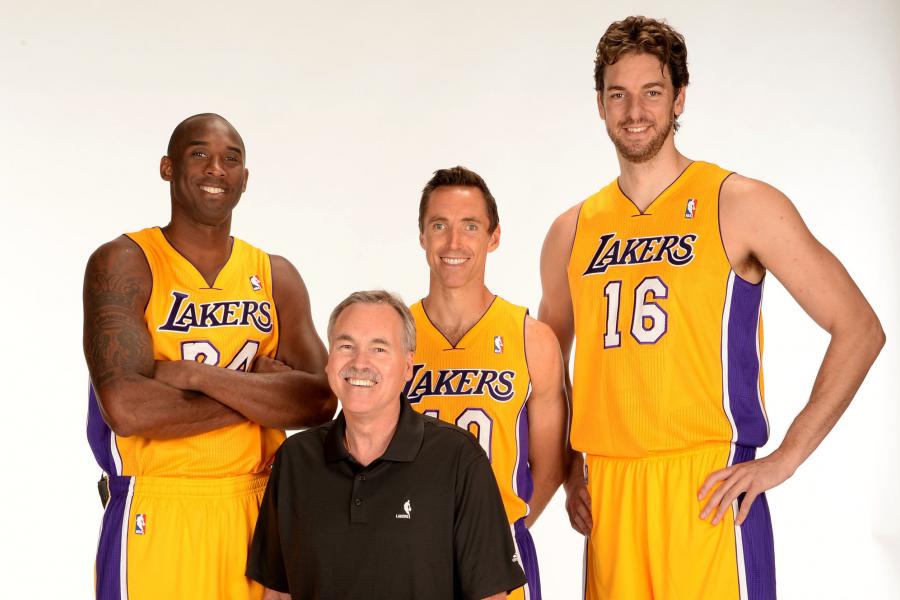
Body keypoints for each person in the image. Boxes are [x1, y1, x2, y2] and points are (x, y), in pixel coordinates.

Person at [538, 16, 884, 599]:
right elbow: (548, 367)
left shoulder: (739, 203)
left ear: (679, 98)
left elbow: (859, 327)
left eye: (652, 92)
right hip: (610, 497)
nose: (634, 111)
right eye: (617, 95)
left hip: (707, 489)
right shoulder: (571, 230)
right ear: (599, 104)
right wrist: (572, 463)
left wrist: (785, 458)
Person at [83, 113, 336, 599]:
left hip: (260, 509)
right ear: (168, 167)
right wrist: (263, 393)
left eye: (231, 159)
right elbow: (127, 408)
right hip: (157, 506)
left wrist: (197, 376)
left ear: (245, 178)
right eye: (199, 154)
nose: (216, 169)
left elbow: (322, 402)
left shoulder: (275, 274)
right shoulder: (125, 261)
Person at [247, 290, 527, 600]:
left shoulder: (459, 459)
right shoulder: (295, 460)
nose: (359, 363)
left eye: (379, 349)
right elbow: (277, 593)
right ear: (329, 363)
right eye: (346, 346)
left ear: (408, 366)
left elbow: (490, 596)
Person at [405, 166, 567, 600]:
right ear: (422, 236)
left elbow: (550, 467)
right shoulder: (392, 334)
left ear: (494, 237)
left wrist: (491, 536)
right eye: (439, 226)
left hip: (499, 555)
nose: (453, 243)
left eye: (470, 226)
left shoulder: (531, 337)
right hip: (407, 552)